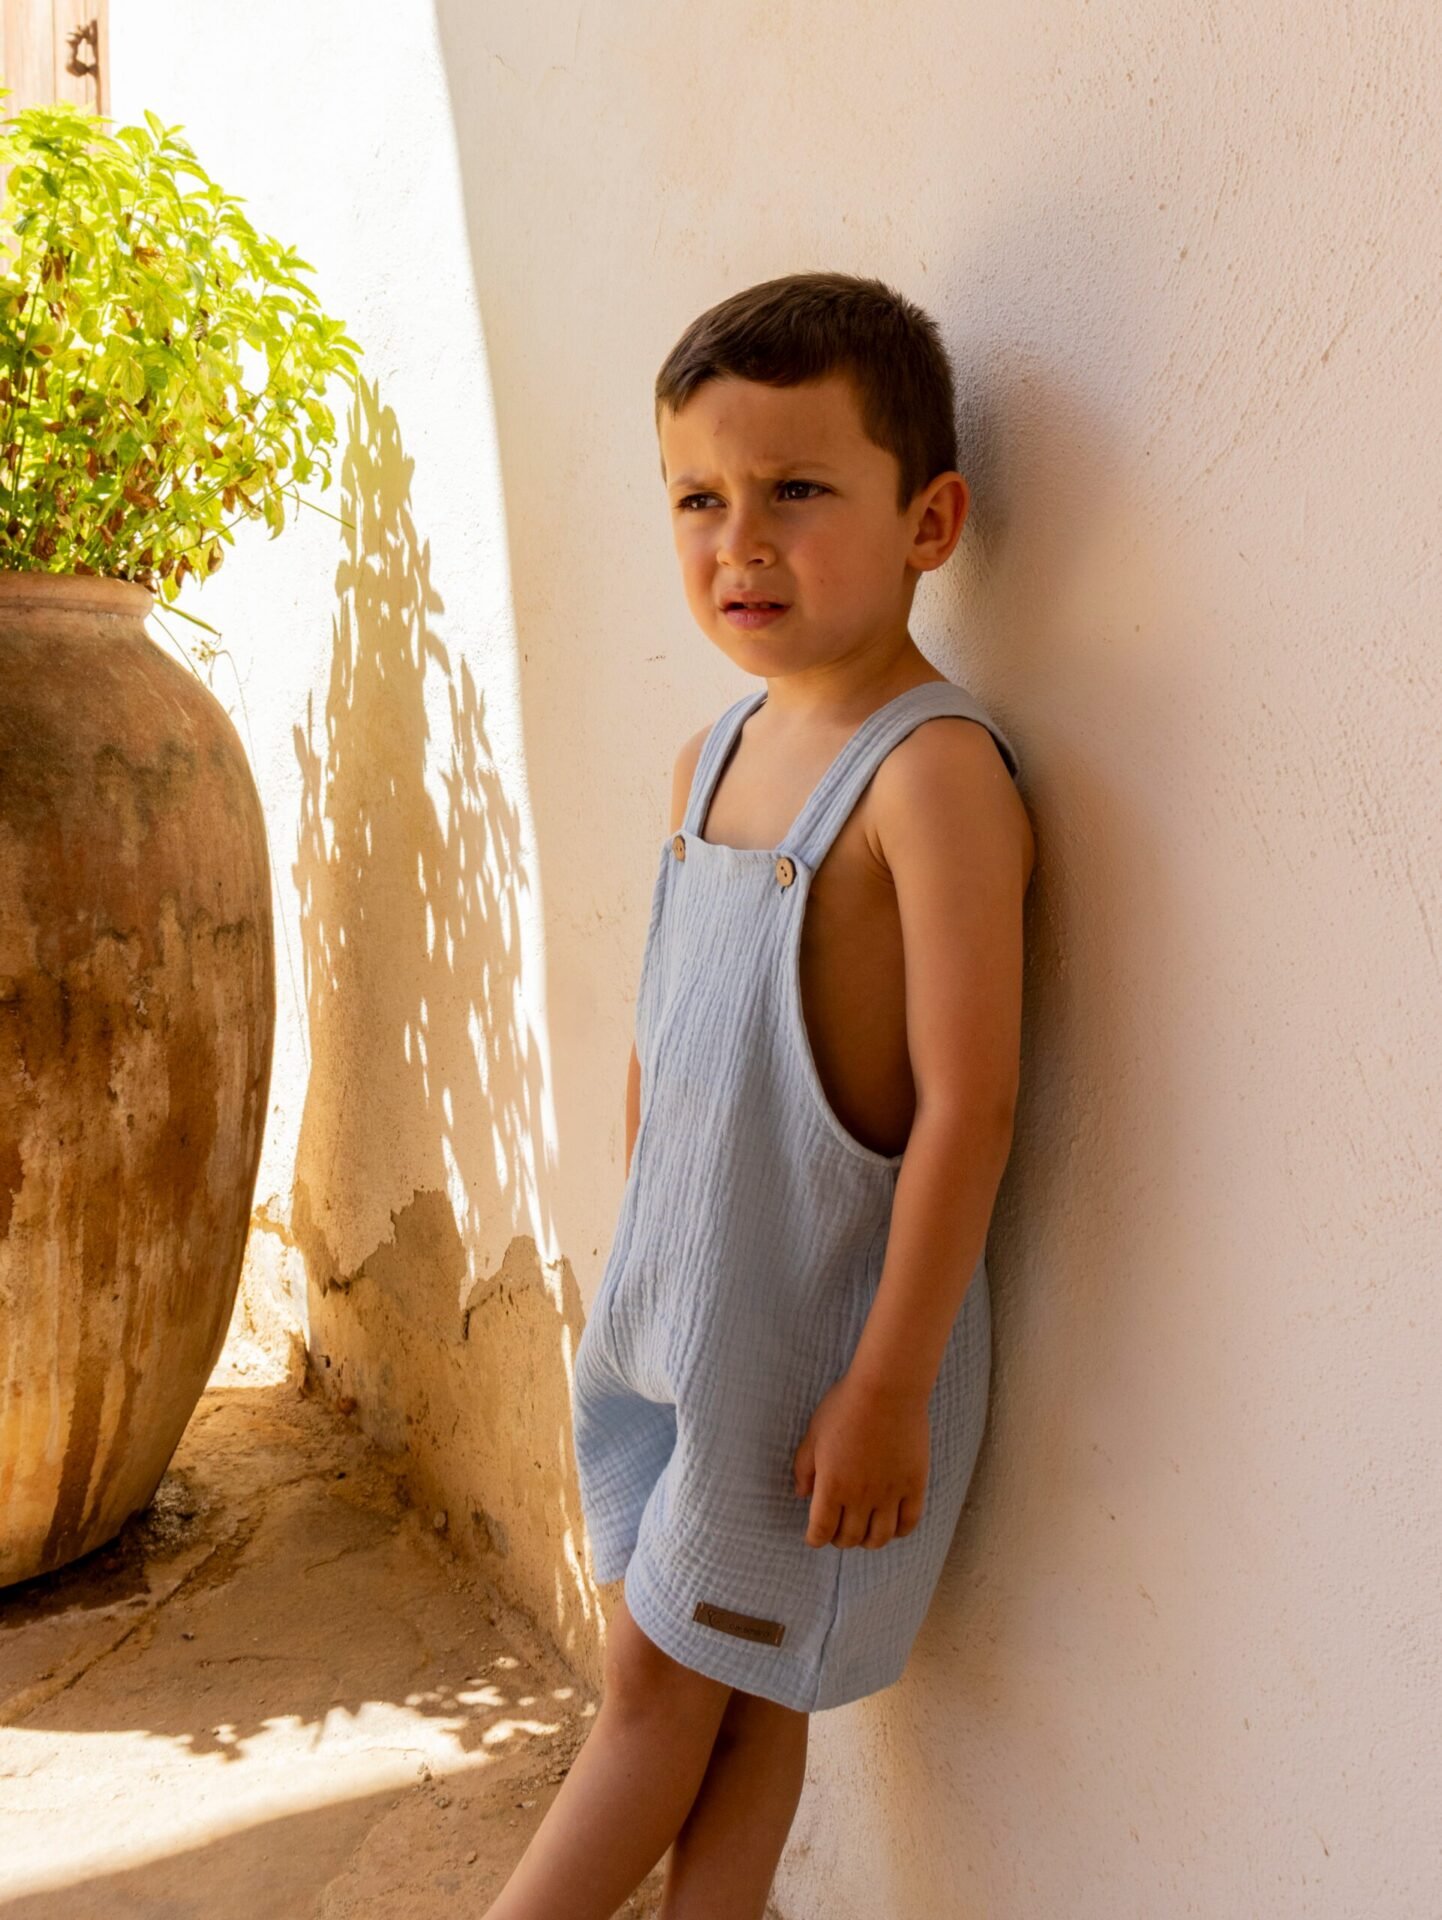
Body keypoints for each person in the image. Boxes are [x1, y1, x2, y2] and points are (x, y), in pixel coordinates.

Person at [484, 270, 1035, 1920]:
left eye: (796, 491)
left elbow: (969, 1110)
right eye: (698, 499)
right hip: (675, 1318)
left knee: (656, 1696)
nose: (741, 542)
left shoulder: (930, 775)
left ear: (928, 520)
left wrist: (886, 1385)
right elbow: (669, 1037)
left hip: (811, 1359)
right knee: (729, 1706)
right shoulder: (708, 756)